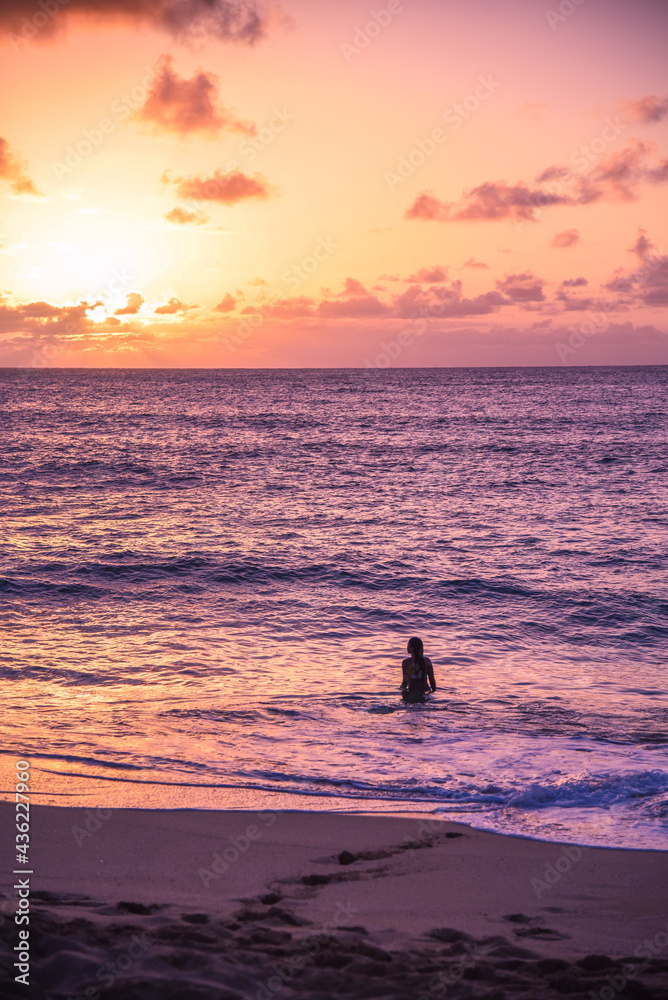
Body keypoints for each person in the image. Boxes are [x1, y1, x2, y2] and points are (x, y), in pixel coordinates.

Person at [400, 636, 436, 703]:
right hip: (426, 691)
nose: (407, 647)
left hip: (413, 692)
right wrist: (434, 692)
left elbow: (405, 682)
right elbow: (432, 681)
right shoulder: (427, 661)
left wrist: (402, 693)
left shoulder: (406, 662)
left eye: (408, 645)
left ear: (412, 649)